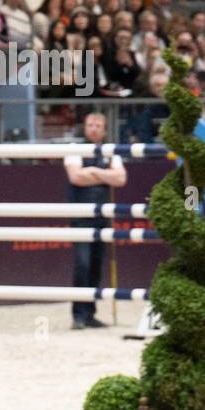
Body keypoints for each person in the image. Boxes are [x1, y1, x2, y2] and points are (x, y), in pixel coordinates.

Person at [64, 112, 128, 329]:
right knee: (82, 264)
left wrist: (91, 171)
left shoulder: (111, 151)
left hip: (103, 217)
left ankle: (90, 314)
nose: (93, 128)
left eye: (98, 125)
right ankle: (78, 315)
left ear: (104, 129)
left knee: (97, 266)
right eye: (90, 124)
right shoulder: (74, 148)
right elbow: (76, 177)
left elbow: (120, 179)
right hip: (81, 216)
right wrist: (104, 173)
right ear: (84, 126)